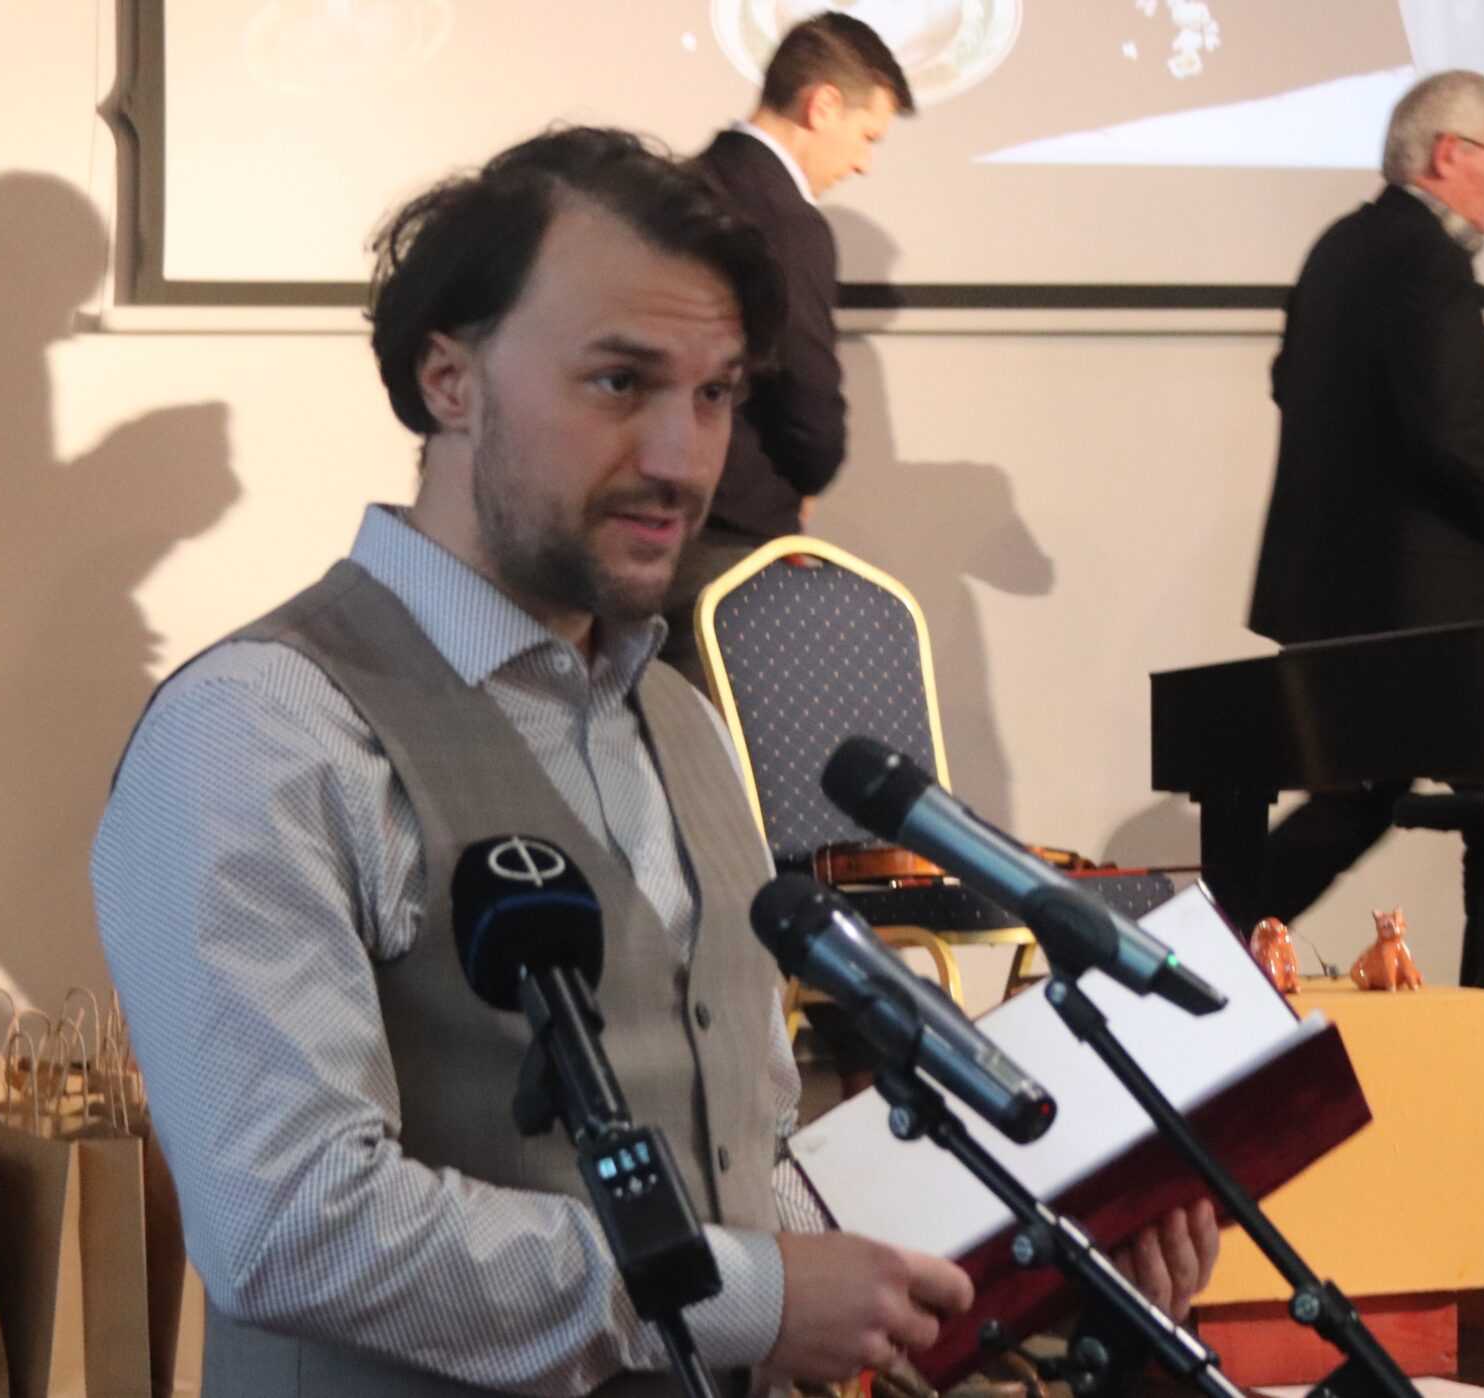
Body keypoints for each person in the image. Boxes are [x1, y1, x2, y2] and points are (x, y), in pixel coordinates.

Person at [94, 126, 1213, 1398]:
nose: (684, 458)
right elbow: (293, 1222)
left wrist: (1047, 1242)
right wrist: (744, 1299)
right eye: (620, 383)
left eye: (715, 394)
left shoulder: (681, 722)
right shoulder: (261, 726)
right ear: (449, 379)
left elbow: (748, 1164)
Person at [1246, 70, 1484, 989]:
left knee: (1354, 803)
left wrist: (1464, 366)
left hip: (1335, 596)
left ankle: (1204, 950)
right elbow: (1451, 435)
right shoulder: (1431, 259)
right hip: (1427, 611)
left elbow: (1300, 382)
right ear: (1447, 153)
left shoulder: (1338, 247)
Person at [662, 12, 914, 685]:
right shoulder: (788, 223)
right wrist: (807, 478)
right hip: (732, 544)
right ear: (822, 104)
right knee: (724, 746)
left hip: (649, 525)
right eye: (866, 137)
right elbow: (809, 408)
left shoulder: (670, 189)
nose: (862, 163)